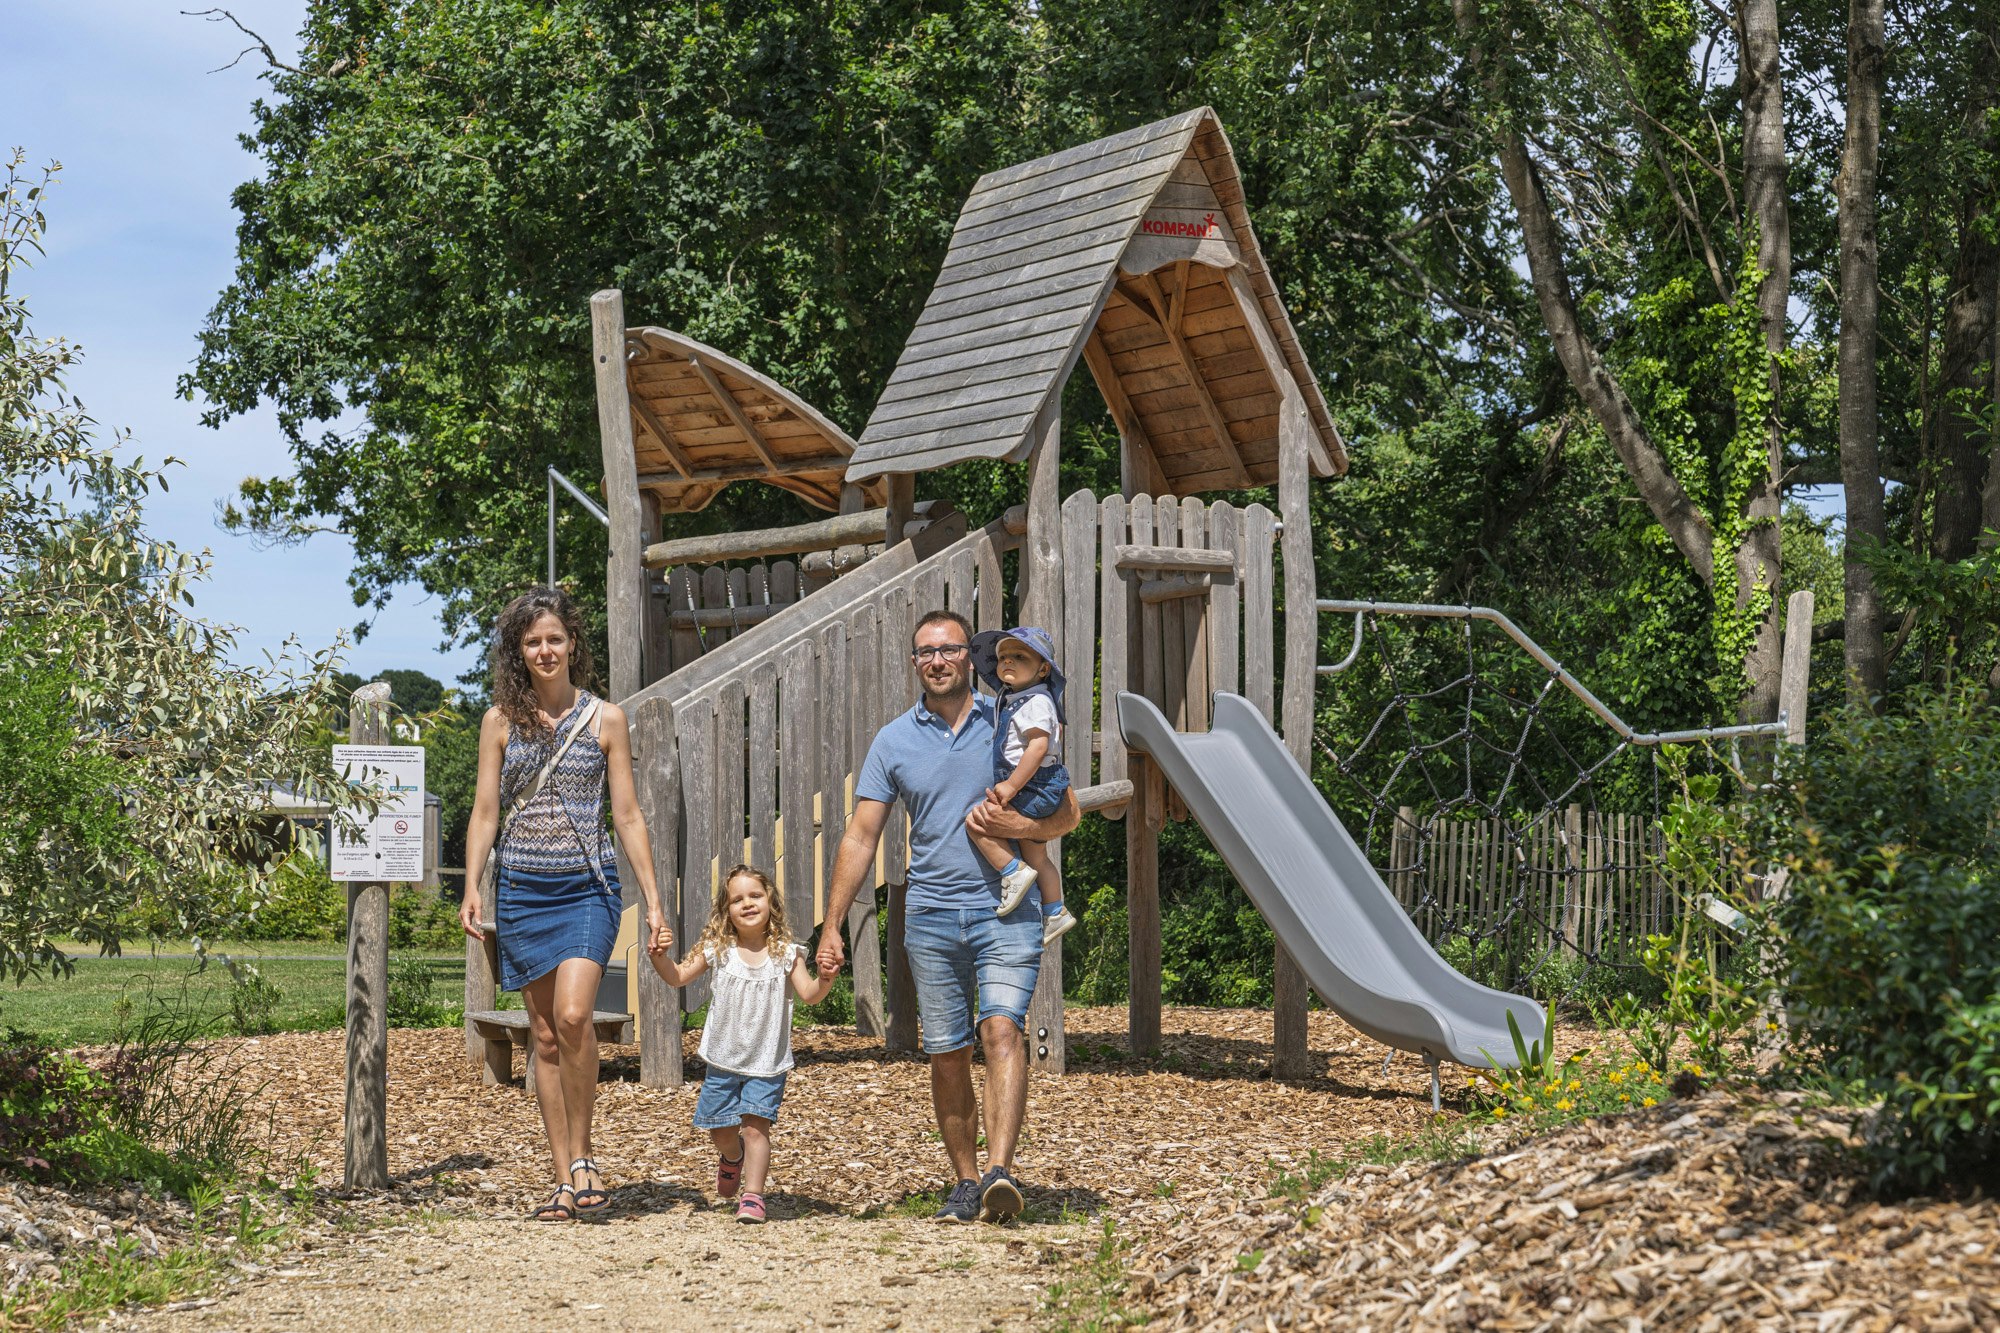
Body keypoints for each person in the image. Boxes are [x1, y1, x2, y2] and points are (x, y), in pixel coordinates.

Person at [818, 609, 1081, 1224]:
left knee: (1002, 1032)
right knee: (947, 1051)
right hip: (931, 915)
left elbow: (1067, 809)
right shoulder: (893, 740)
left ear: (972, 657)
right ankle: (965, 1181)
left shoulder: (1012, 715)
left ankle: (998, 1173)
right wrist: (832, 922)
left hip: (1007, 909)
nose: (937, 660)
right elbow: (861, 837)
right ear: (915, 663)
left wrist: (1020, 825)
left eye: (949, 649)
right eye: (925, 652)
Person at [459, 586, 668, 1224]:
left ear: (572, 642)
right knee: (544, 1037)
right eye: (532, 642)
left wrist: (653, 901)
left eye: (554, 639)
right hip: (521, 890)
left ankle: (584, 1157)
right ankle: (563, 1175)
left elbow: (626, 814)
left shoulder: (607, 718)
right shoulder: (500, 721)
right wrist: (471, 885)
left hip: (588, 888)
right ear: (517, 653)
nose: (545, 651)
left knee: (576, 1016)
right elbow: (486, 810)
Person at [647, 864, 839, 1224]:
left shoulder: (787, 953)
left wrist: (826, 978)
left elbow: (811, 995)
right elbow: (677, 978)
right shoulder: (719, 949)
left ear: (770, 902)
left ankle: (753, 1197)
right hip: (723, 1060)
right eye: (737, 899)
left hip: (767, 1061)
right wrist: (659, 957)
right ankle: (732, 1158)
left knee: (755, 1127)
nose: (747, 903)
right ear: (726, 911)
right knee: (721, 1131)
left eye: (755, 895)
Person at [964, 626, 1077, 944]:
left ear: (1043, 668)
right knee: (1038, 857)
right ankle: (1055, 912)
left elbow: (1038, 748)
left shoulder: (1036, 702)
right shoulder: (1016, 699)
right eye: (1002, 657)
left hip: (1032, 786)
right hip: (1038, 785)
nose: (1007, 662)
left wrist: (1011, 787)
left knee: (977, 823)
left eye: (1019, 656)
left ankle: (1012, 871)